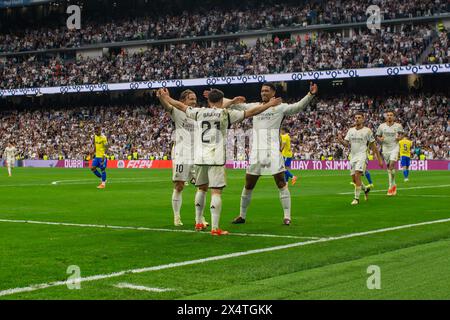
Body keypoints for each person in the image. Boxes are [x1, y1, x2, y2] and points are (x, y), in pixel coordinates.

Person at [159, 88, 281, 235]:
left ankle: (198, 222)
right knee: (216, 191)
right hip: (215, 156)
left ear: (209, 100)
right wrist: (269, 104)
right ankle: (215, 228)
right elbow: (251, 112)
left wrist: (167, 97)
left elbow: (181, 106)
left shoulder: (199, 112)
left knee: (201, 189)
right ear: (222, 101)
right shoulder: (226, 113)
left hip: (200, 155)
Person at [228, 82, 318, 226]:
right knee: (248, 184)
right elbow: (233, 106)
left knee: (281, 183)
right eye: (262, 91)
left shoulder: (280, 108)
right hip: (256, 152)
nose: (263, 93)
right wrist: (222, 99)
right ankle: (242, 215)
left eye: (266, 91)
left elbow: (297, 107)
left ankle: (287, 216)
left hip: (273, 152)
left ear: (273, 93)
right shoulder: (254, 107)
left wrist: (310, 95)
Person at [158, 89, 208, 227]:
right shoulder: (178, 111)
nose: (194, 101)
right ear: (183, 101)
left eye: (195, 98)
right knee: (179, 186)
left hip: (196, 155)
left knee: (202, 186)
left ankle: (200, 218)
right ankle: (177, 216)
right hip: (181, 154)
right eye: (191, 99)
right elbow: (166, 106)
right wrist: (162, 97)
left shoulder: (198, 114)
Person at [339, 112, 383, 205]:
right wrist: (341, 141)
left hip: (362, 156)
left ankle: (356, 199)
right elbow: (347, 144)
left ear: (363, 119)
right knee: (354, 179)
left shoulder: (367, 131)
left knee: (357, 174)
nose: (357, 119)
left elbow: (373, 146)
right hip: (353, 156)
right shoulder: (350, 130)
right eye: (355, 118)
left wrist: (379, 159)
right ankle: (366, 189)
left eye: (359, 117)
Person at [376, 111, 404, 196]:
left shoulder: (398, 126)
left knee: (391, 165)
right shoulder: (381, 126)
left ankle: (390, 187)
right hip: (385, 148)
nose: (389, 117)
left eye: (391, 115)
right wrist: (380, 139)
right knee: (389, 168)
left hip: (395, 147)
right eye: (388, 115)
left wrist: (400, 138)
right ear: (385, 117)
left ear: (394, 117)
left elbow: (402, 135)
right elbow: (378, 136)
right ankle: (394, 184)